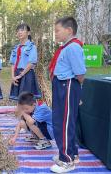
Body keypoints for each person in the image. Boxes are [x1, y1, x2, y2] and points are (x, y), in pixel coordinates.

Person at [49, 16, 86, 173]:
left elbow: (80, 74)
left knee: (63, 123)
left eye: (58, 30)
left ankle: (67, 161)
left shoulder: (73, 48)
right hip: (61, 85)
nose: (55, 33)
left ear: (69, 30)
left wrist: (76, 93)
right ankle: (72, 153)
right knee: (62, 121)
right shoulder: (66, 47)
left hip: (68, 85)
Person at [9, 24, 41, 101]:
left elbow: (31, 63)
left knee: (27, 100)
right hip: (16, 75)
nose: (19, 32)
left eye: (22, 30)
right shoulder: (16, 48)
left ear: (28, 33)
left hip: (27, 74)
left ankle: (28, 113)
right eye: (18, 31)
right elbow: (13, 63)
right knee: (18, 100)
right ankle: (20, 113)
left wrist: (21, 75)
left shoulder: (31, 46)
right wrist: (13, 76)